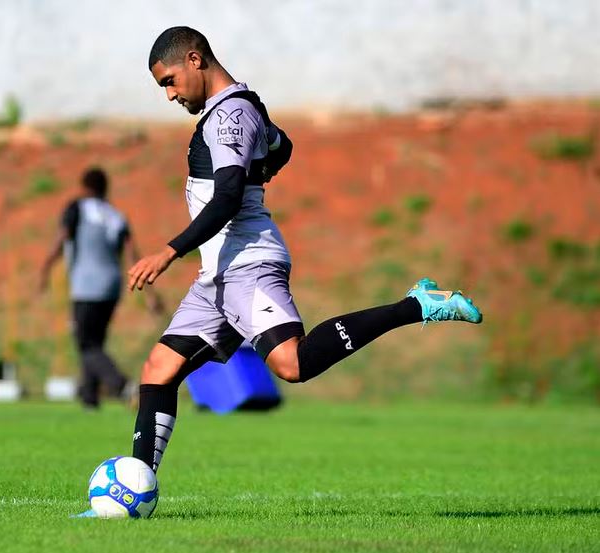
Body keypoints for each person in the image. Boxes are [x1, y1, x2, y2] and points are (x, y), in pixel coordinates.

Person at [76, 27, 482, 516]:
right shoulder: (243, 110)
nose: (169, 94)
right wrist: (259, 172)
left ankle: (416, 305)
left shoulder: (230, 116)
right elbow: (282, 146)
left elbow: (226, 199)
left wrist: (168, 250)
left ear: (194, 59)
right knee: (158, 371)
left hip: (248, 265)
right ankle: (136, 493)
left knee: (291, 363)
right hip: (217, 276)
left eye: (170, 81)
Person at [41, 167, 163, 409]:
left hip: (86, 286)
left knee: (86, 344)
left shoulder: (77, 208)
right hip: (111, 287)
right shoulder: (116, 215)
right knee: (95, 341)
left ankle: (123, 386)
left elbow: (62, 237)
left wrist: (45, 268)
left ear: (84, 187)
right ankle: (89, 397)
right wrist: (150, 294)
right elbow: (132, 253)